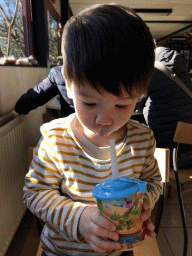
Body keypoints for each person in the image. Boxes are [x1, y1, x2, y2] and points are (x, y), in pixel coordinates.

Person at [23, 4, 162, 256]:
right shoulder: (56, 138)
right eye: (89, 103)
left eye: (121, 105)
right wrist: (79, 218)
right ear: (68, 81)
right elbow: (35, 192)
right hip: (60, 252)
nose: (104, 120)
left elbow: (153, 182)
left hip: (119, 250)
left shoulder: (142, 139)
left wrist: (143, 203)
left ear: (140, 95)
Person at [136, 45, 192, 168]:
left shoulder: (151, 71)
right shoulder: (182, 72)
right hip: (187, 141)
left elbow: (136, 102)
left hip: (164, 145)